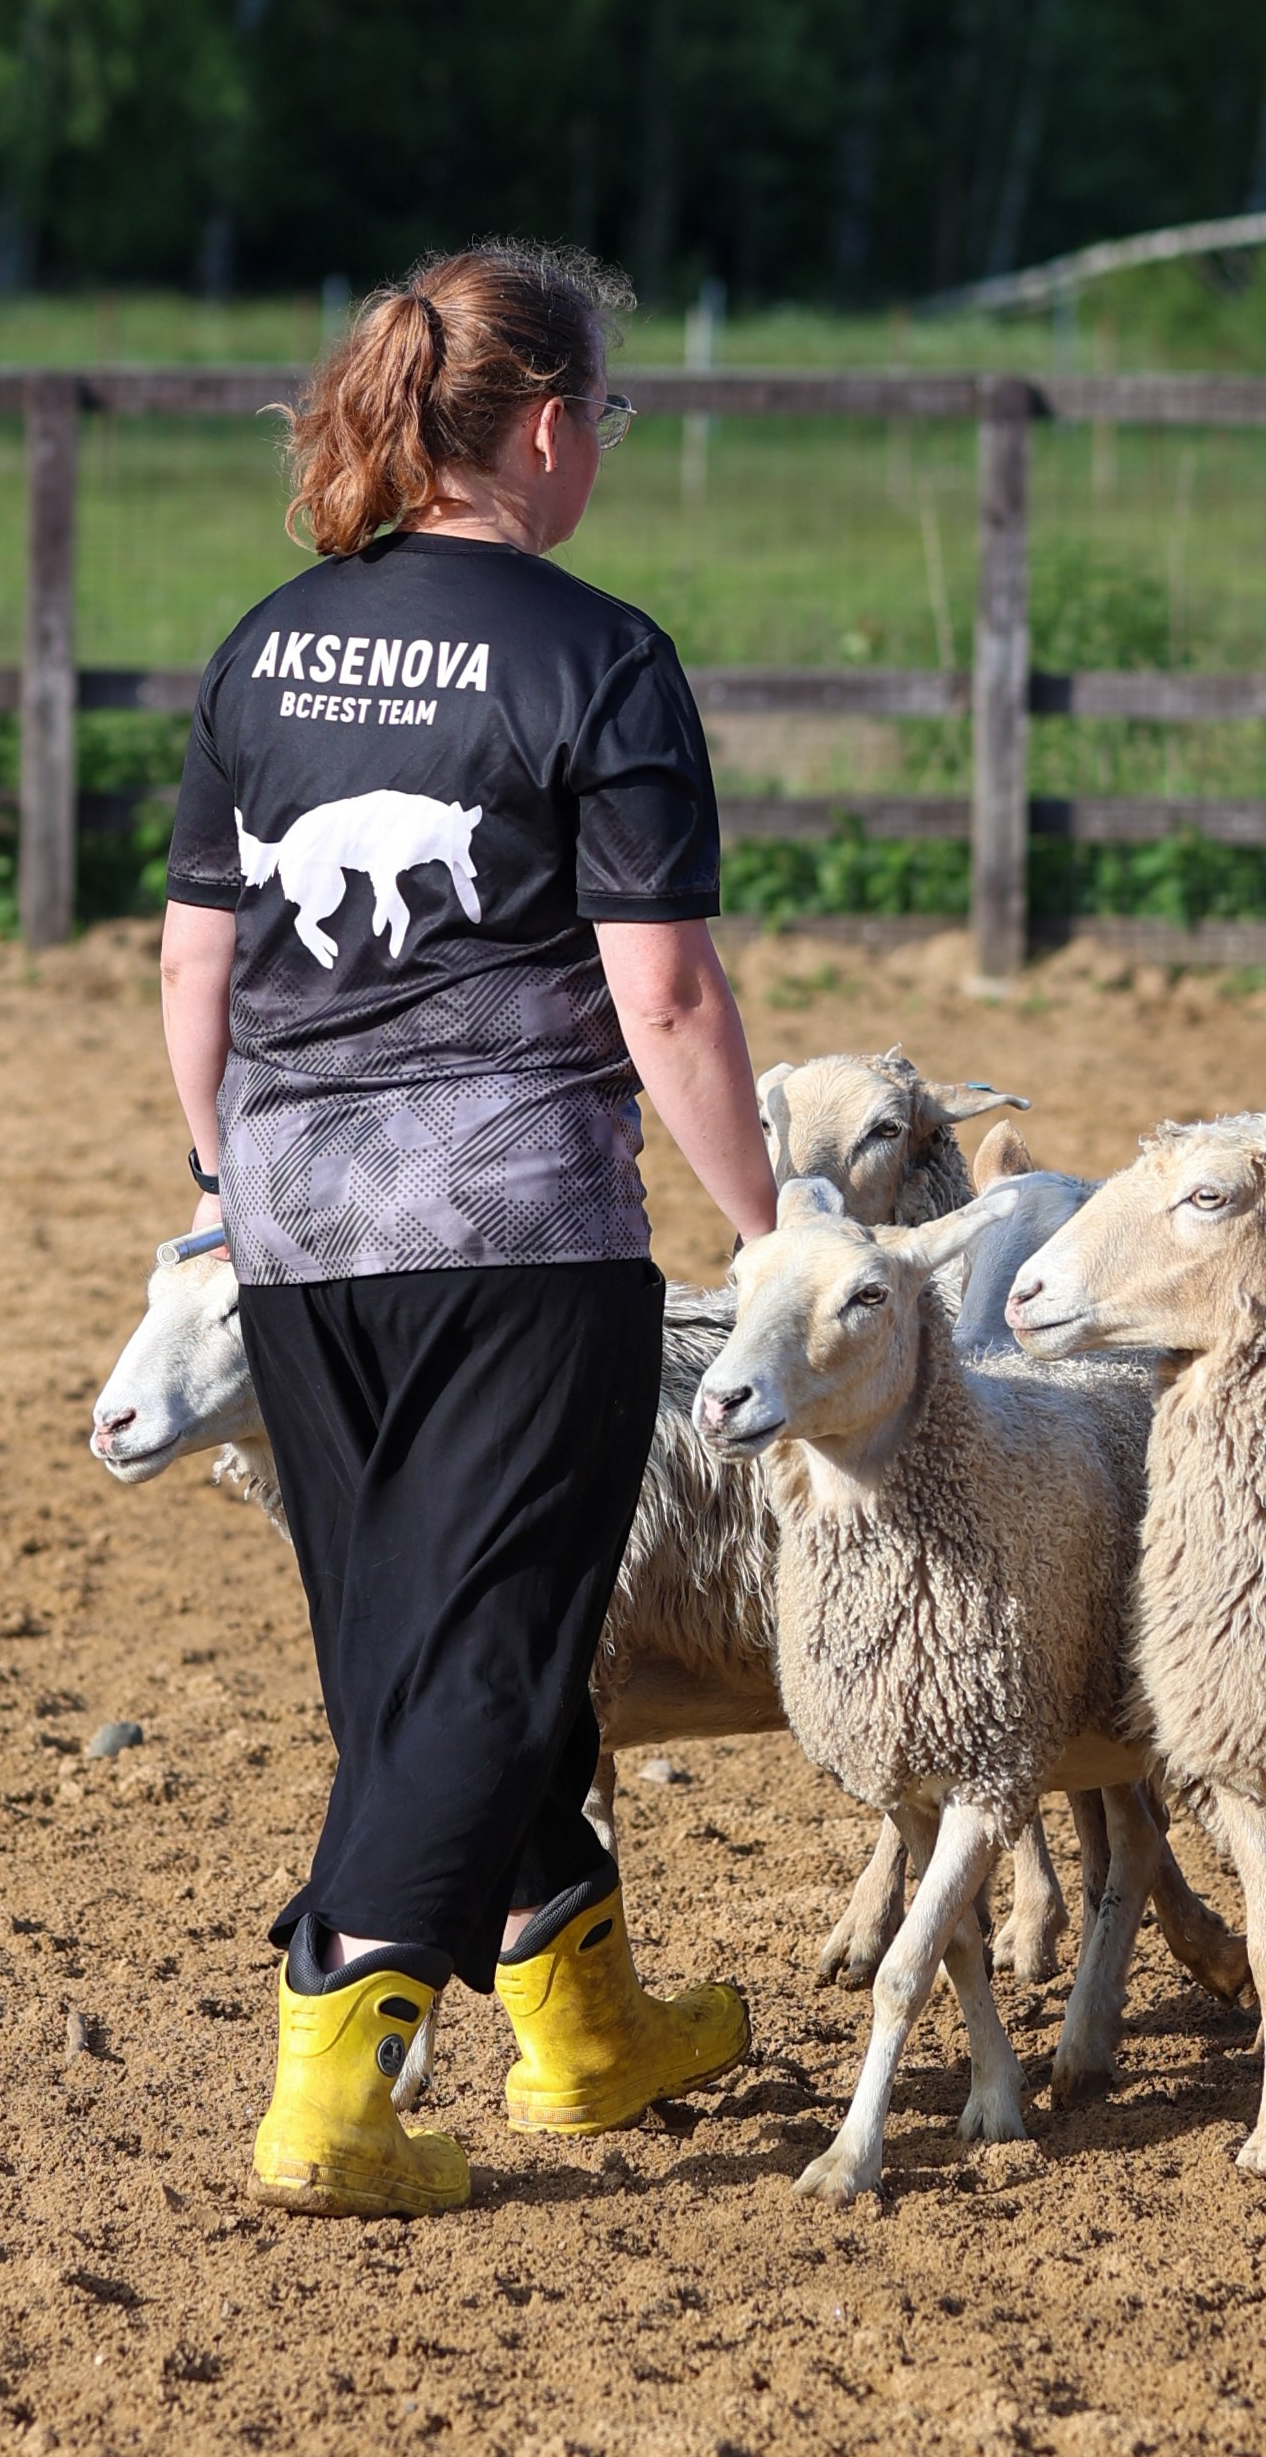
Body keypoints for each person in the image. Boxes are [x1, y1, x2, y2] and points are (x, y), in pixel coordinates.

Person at [157, 241, 778, 2218]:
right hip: (516, 1234)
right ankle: (338, 2074)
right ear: (542, 425)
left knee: (408, 1652)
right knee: (500, 1665)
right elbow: (665, 1000)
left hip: (298, 1226)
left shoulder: (269, 644)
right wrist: (774, 1229)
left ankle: (581, 2021)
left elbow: (196, 966)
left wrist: (225, 1182)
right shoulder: (594, 655)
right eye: (600, 422)